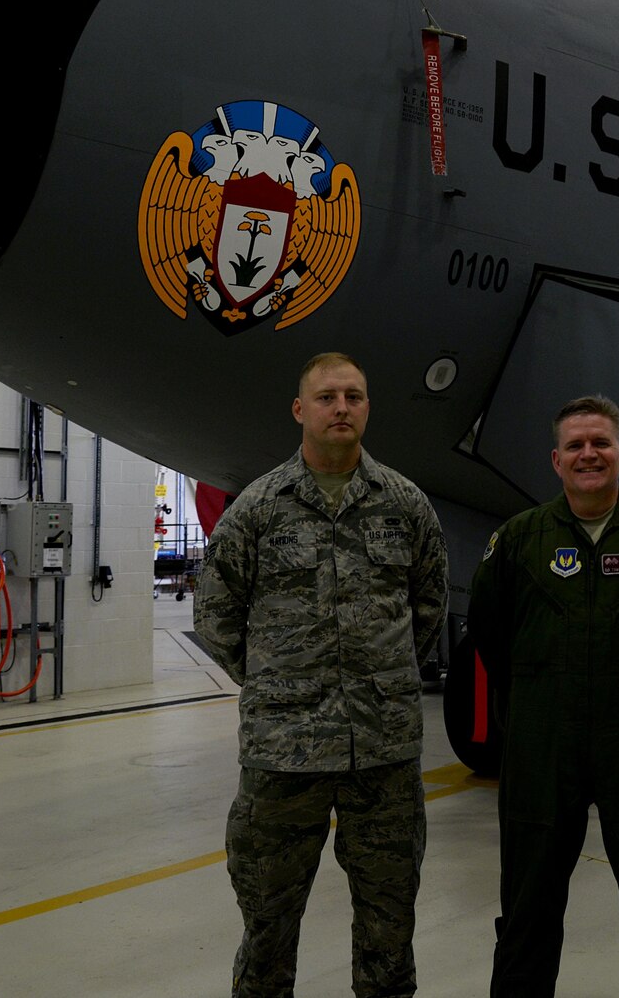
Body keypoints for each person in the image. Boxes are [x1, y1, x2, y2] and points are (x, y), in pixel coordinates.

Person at [194, 352, 449, 997]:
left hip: (383, 751)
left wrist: (379, 676)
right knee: (267, 927)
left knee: (390, 927)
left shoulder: (405, 504)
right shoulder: (258, 507)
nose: (341, 408)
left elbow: (428, 606)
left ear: (367, 408)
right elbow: (216, 612)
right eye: (327, 397)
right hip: (285, 754)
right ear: (299, 410)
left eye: (353, 396)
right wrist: (276, 684)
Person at [465, 395, 619, 998]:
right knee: (528, 903)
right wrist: (541, 691)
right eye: (575, 445)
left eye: (600, 443)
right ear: (556, 460)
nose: (588, 455)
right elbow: (490, 632)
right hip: (543, 742)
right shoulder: (519, 540)